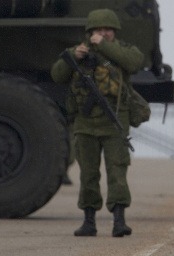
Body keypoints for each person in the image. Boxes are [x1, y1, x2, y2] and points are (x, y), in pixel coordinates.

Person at [51, 9, 144, 237]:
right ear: (90, 32)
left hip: (115, 121)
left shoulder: (122, 51)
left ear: (115, 32)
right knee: (88, 174)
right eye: (99, 30)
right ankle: (89, 221)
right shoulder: (79, 53)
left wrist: (103, 45)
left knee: (117, 171)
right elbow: (57, 75)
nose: (104, 33)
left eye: (108, 30)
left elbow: (134, 62)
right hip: (85, 123)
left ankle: (119, 220)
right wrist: (74, 55)